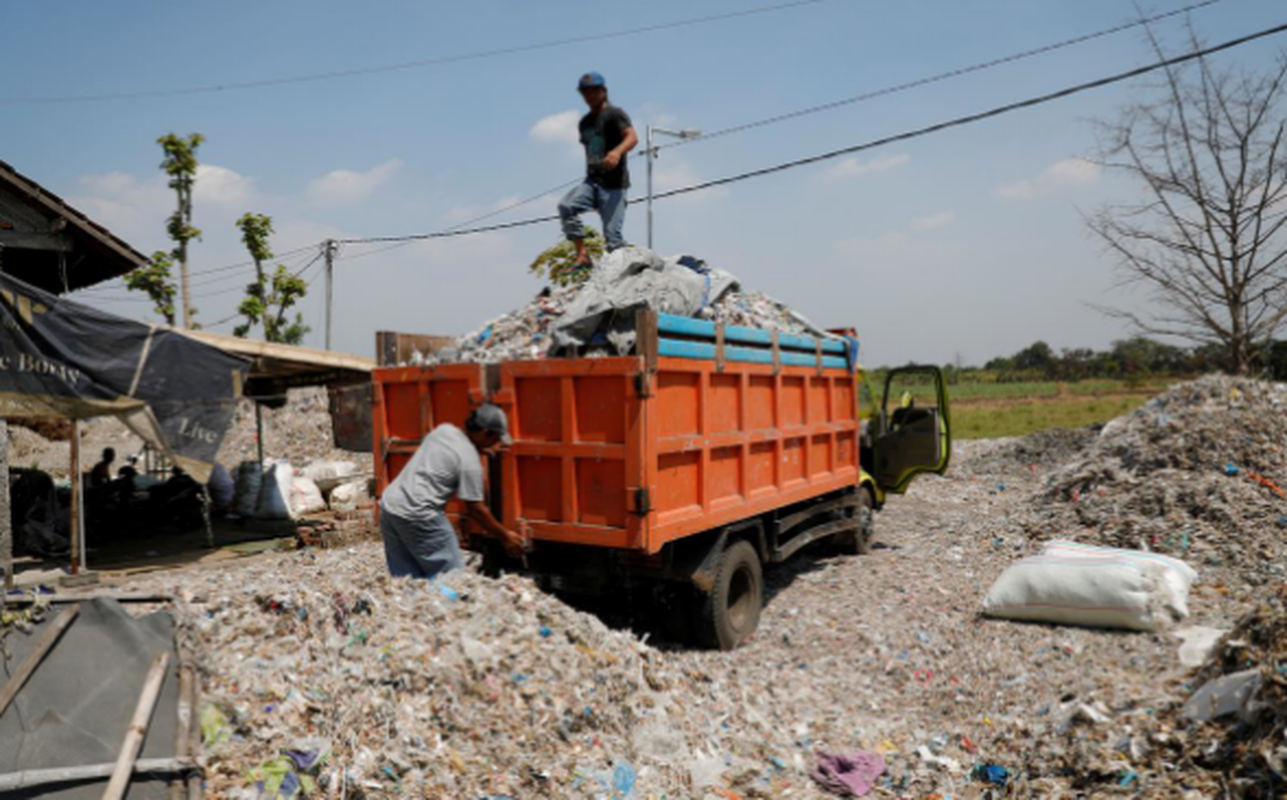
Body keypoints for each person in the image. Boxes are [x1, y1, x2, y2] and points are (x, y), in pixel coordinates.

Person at [379, 403, 525, 579]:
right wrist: (505, 536)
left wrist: (478, 449)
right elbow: (476, 509)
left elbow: (448, 454)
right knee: (452, 578)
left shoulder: (444, 430)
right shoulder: (469, 461)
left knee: (407, 579)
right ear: (485, 433)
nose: (496, 444)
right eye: (495, 439)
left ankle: (409, 604)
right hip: (419, 513)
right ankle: (448, 602)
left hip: (390, 506)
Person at [557, 71, 639, 271]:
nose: (590, 96)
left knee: (612, 239)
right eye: (586, 92)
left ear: (604, 91)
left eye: (594, 91)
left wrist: (617, 151)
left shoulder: (614, 114)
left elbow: (632, 137)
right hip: (592, 181)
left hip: (614, 186)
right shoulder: (584, 123)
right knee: (566, 206)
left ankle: (626, 275)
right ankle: (583, 256)